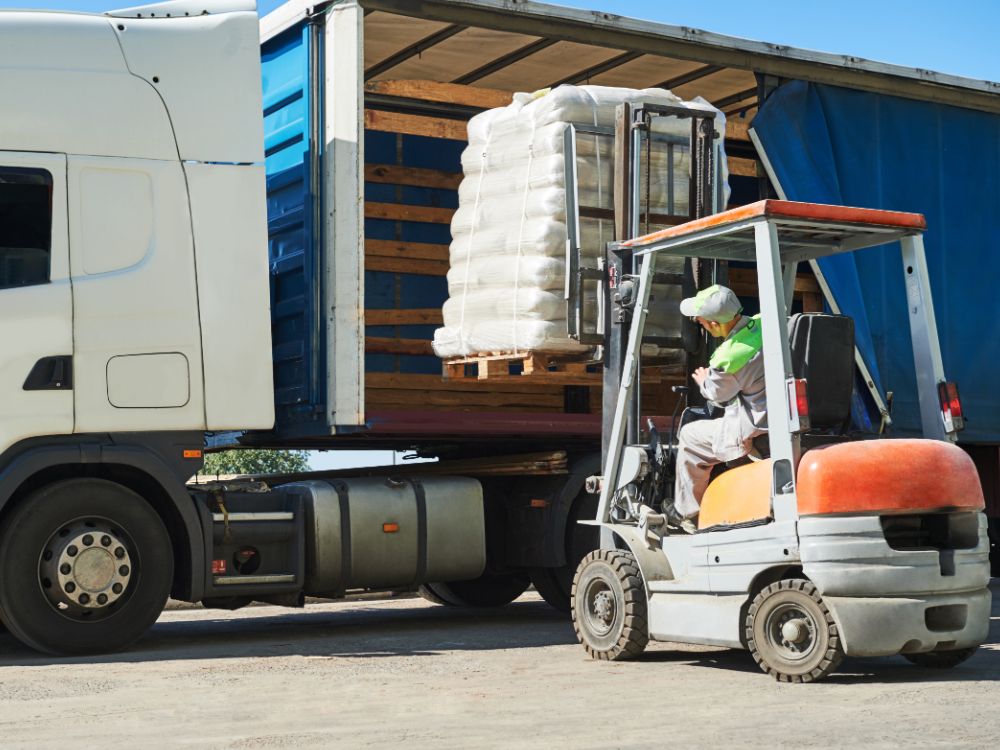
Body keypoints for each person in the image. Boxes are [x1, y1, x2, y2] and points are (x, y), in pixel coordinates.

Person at [667, 284, 767, 530]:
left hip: (759, 425)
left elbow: (717, 395)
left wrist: (703, 381)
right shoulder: (767, 323)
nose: (700, 325)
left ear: (713, 324)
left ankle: (688, 513)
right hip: (784, 413)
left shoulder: (731, 357)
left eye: (701, 322)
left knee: (691, 435)